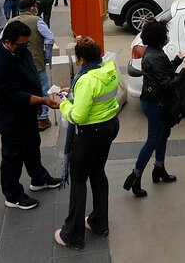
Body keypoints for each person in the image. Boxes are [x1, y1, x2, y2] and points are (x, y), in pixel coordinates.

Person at [54, 37, 121, 250]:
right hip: (109, 126)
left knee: (79, 180)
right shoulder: (109, 70)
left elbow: (79, 116)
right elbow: (97, 97)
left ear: (81, 60)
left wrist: (64, 103)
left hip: (90, 133)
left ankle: (73, 235)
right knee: (98, 173)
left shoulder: (86, 80)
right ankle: (99, 223)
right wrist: (73, 95)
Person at [0, 21, 62, 210]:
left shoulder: (22, 52)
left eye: (26, 44)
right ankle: (12, 195)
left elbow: (32, 77)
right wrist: (42, 101)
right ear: (8, 42)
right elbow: (13, 95)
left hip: (28, 111)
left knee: (31, 145)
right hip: (10, 116)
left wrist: (38, 103)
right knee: (13, 155)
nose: (24, 47)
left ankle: (39, 178)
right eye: (20, 44)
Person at [123, 20, 185, 198]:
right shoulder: (156, 56)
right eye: (164, 34)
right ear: (159, 37)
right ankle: (136, 175)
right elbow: (167, 84)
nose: (166, 37)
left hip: (153, 101)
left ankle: (159, 168)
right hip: (156, 103)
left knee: (163, 134)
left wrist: (178, 60)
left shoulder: (153, 52)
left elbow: (163, 73)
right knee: (154, 139)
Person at [5, 0, 55, 131]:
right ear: (32, 8)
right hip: (36, 62)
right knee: (42, 88)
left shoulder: (11, 21)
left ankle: (27, 115)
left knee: (23, 90)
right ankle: (43, 118)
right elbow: (50, 38)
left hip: (16, 64)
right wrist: (47, 54)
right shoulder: (37, 21)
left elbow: (1, 41)